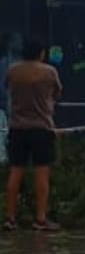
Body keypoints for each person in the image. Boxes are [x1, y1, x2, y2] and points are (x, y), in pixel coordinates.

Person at [4, 38, 62, 231]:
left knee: (15, 171)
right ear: (41, 53)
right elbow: (57, 93)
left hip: (17, 127)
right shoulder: (49, 72)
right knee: (42, 173)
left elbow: (7, 89)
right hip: (41, 127)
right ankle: (41, 218)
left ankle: (10, 218)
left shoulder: (13, 71)